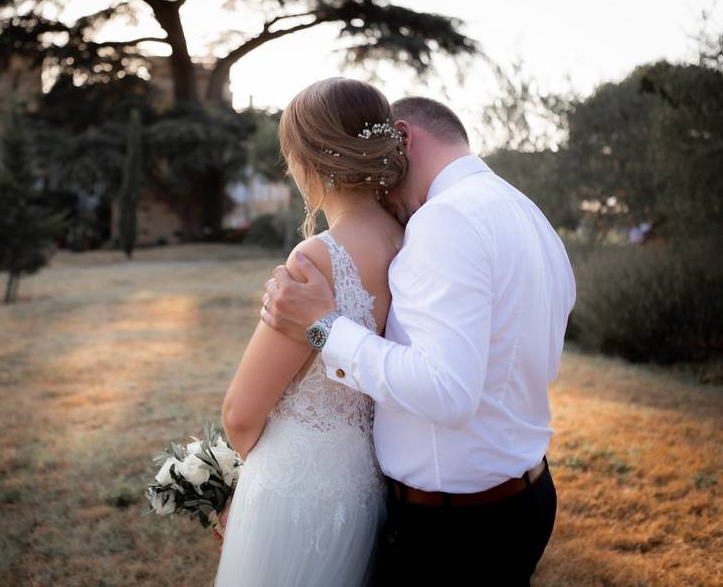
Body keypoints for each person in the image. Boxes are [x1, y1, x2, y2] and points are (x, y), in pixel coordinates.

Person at [261, 96, 577, 586]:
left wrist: (324, 325)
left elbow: (448, 393)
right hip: (524, 498)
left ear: (405, 137)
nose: (381, 191)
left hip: (454, 532)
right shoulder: (524, 211)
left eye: (387, 169)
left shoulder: (445, 219)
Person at [214, 77, 406, 587]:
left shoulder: (318, 256)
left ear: (309, 159)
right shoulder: (409, 239)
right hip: (365, 484)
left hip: (296, 490)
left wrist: (240, 481)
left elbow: (240, 411)